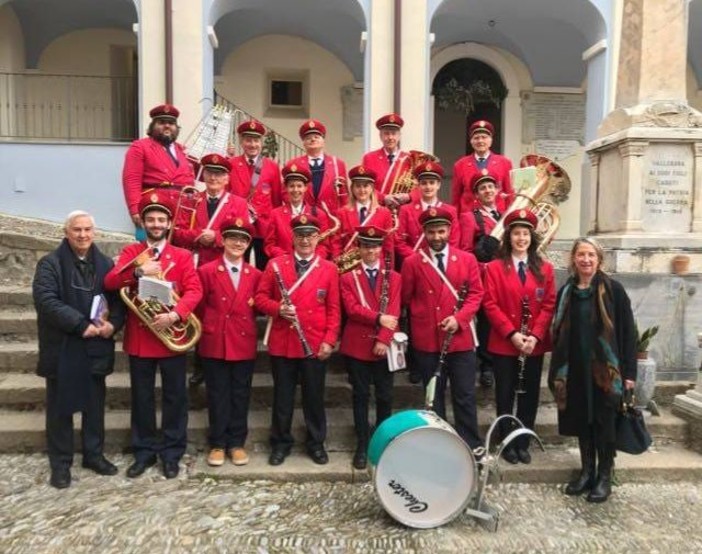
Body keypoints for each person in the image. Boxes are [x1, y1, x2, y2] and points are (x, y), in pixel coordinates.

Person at [104, 192, 203, 480]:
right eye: (151, 219)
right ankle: (143, 452)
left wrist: (175, 315)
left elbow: (195, 291)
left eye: (161, 219)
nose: (156, 224)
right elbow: (110, 281)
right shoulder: (131, 252)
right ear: (143, 223)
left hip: (171, 336)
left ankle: (172, 453)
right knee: (142, 398)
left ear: (170, 223)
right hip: (142, 338)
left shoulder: (182, 256)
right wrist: (138, 271)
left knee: (175, 398)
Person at [33, 211, 125, 489]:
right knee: (60, 409)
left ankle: (93, 455)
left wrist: (114, 325)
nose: (83, 235)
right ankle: (60, 463)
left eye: (87, 230)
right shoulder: (50, 264)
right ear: (66, 232)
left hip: (96, 345)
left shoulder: (106, 264)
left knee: (94, 405)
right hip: (64, 345)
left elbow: (119, 300)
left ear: (94, 233)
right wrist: (80, 325)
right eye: (77, 230)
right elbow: (46, 300)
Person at [549, 237, 637, 503]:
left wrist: (630, 373)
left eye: (591, 255)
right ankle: (587, 471)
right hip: (575, 369)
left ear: (599, 259)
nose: (585, 260)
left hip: (605, 372)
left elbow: (627, 333)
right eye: (581, 255)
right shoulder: (567, 291)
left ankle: (604, 477)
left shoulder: (613, 290)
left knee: (604, 422)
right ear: (573, 259)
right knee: (582, 421)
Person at [255, 214, 341, 466]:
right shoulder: (275, 265)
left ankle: (316, 443)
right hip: (284, 342)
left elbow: (334, 310)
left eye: (311, 235)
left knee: (314, 397)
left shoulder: (329, 268)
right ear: (292, 238)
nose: (305, 240)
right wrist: (277, 308)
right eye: (300, 235)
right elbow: (260, 298)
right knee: (282, 398)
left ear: (318, 238)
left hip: (314, 343)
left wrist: (329, 340)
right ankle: (280, 443)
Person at [401, 207, 484, 454]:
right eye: (431, 232)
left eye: (441, 231)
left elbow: (476, 294)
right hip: (428, 339)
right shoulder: (412, 262)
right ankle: (439, 446)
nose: (436, 236)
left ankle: (471, 445)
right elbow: (406, 296)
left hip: (460, 339)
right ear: (424, 233)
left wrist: (459, 318)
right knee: (433, 398)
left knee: (465, 395)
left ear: (449, 230)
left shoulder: (467, 260)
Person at [482, 209, 556, 464]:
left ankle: (523, 441)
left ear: (531, 238)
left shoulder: (545, 268)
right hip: (505, 343)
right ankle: (506, 442)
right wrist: (512, 334)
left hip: (533, 344)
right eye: (516, 233)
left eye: (525, 234)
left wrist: (535, 335)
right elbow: (490, 304)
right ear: (509, 237)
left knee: (529, 395)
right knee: (505, 395)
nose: (521, 238)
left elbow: (548, 305)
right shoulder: (493, 268)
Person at [197, 217, 262, 467]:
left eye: (243, 239)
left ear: (248, 245)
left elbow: (258, 307)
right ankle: (217, 443)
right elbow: (200, 307)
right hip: (216, 340)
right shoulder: (206, 271)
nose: (238, 243)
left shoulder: (255, 274)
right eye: (233, 238)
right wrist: (213, 326)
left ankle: (236, 443)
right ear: (222, 240)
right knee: (217, 394)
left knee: (240, 394)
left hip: (243, 340)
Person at [339, 225, 402, 469]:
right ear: (359, 249)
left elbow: (394, 310)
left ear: (381, 248)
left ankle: (383, 443)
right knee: (360, 397)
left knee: (385, 396)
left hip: (384, 347)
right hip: (357, 345)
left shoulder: (394, 277)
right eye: (366, 246)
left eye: (375, 246)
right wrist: (378, 319)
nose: (371, 251)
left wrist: (383, 340)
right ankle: (362, 445)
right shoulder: (348, 278)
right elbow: (352, 309)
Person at [459, 169, 504, 388]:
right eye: (482, 188)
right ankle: (486, 365)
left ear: (497, 190)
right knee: (486, 320)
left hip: (504, 276)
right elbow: (466, 251)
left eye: (490, 186)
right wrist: (483, 267)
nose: (487, 190)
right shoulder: (469, 218)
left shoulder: (507, 215)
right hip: (484, 275)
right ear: (477, 194)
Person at [122, 104, 195, 238]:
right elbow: (131, 180)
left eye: (171, 123)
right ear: (152, 126)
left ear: (177, 128)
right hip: (154, 207)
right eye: (161, 122)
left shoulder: (183, 151)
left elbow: (205, 173)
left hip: (182, 212)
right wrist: (134, 209)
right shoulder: (140, 146)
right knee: (150, 252)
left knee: (180, 253)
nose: (167, 126)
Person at [227, 120, 283, 270]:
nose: (252, 144)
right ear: (241, 142)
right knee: (238, 266)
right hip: (239, 225)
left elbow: (277, 200)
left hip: (264, 227)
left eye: (256, 140)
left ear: (261, 142)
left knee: (264, 268)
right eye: (248, 140)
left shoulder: (272, 166)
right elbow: (226, 197)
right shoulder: (231, 164)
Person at [264, 162, 336, 260]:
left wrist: (311, 260)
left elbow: (324, 246)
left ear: (306, 188)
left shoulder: (319, 214)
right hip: (284, 264)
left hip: (311, 267)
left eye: (299, 186)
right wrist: (286, 258)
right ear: (286, 188)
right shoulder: (275, 214)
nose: (295, 190)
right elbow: (270, 245)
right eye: (291, 186)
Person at [395, 161, 459, 267]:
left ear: (438, 185)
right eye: (424, 183)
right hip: (414, 263)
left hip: (440, 263)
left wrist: (439, 258)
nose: (428, 187)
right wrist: (417, 258)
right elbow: (399, 241)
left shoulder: (450, 211)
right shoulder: (406, 210)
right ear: (418, 185)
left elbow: (454, 241)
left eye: (432, 182)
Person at [336, 165, 396, 268]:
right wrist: (337, 265)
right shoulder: (342, 212)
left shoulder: (384, 213)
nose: (362, 190)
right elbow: (336, 243)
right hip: (349, 268)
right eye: (358, 186)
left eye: (365, 186)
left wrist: (388, 270)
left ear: (372, 188)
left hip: (376, 265)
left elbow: (388, 246)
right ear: (352, 189)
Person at [451, 120, 514, 215]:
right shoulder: (460, 165)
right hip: (469, 218)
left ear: (491, 140)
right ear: (471, 141)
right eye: (476, 138)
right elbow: (456, 198)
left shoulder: (504, 163)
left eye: (484, 137)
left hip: (497, 218)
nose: (480, 141)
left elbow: (509, 195)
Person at [288, 119, 347, 213]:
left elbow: (344, 194)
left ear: (323, 141)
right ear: (303, 143)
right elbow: (285, 193)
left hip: (330, 217)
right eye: (308, 138)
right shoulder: (293, 164)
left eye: (316, 137)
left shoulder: (338, 164)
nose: (312, 139)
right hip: (303, 217)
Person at [361, 113, 411, 206]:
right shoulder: (369, 158)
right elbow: (363, 186)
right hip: (377, 209)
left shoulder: (409, 159)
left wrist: (409, 196)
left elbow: (419, 188)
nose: (390, 137)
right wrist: (383, 198)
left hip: (402, 211)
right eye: (386, 133)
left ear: (399, 136)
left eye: (394, 133)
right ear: (380, 136)